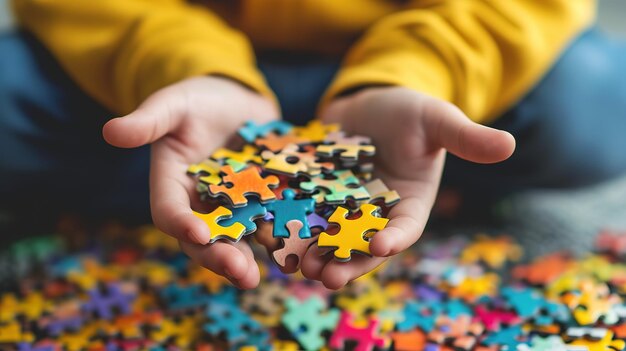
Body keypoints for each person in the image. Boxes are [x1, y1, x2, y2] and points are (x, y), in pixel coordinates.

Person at [1, 0, 625, 290]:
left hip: (414, 69)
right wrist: (188, 69)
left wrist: (410, 74)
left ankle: (425, 146)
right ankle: (184, 153)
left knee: (597, 96)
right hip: (173, 68)